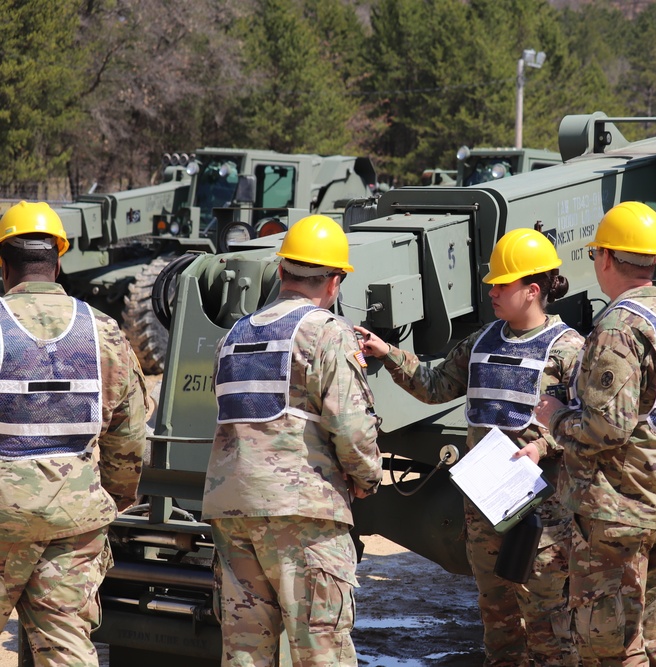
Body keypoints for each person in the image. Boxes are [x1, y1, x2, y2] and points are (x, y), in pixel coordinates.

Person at [356, 228, 583, 667]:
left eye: (502, 284)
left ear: (533, 290)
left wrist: (542, 446)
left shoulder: (569, 350)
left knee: (547, 624)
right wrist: (387, 352)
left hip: (541, 517)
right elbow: (435, 385)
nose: (492, 292)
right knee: (497, 623)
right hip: (484, 510)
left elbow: (589, 422)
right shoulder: (483, 341)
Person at [535, 201, 656, 666]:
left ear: (607, 258)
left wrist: (553, 416)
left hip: (617, 514)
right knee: (655, 641)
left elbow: (607, 426)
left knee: (609, 648)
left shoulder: (618, 327)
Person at [203, 215, 383, 666]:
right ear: (335, 281)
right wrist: (367, 478)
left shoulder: (234, 335)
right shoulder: (328, 332)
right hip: (303, 516)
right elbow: (352, 426)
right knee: (320, 651)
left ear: (281, 272)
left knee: (245, 653)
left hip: (234, 511)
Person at [0, 201, 146, 666]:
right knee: (66, 650)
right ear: (59, 260)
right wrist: (113, 497)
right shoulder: (103, 332)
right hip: (75, 516)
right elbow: (129, 435)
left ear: (2, 265)